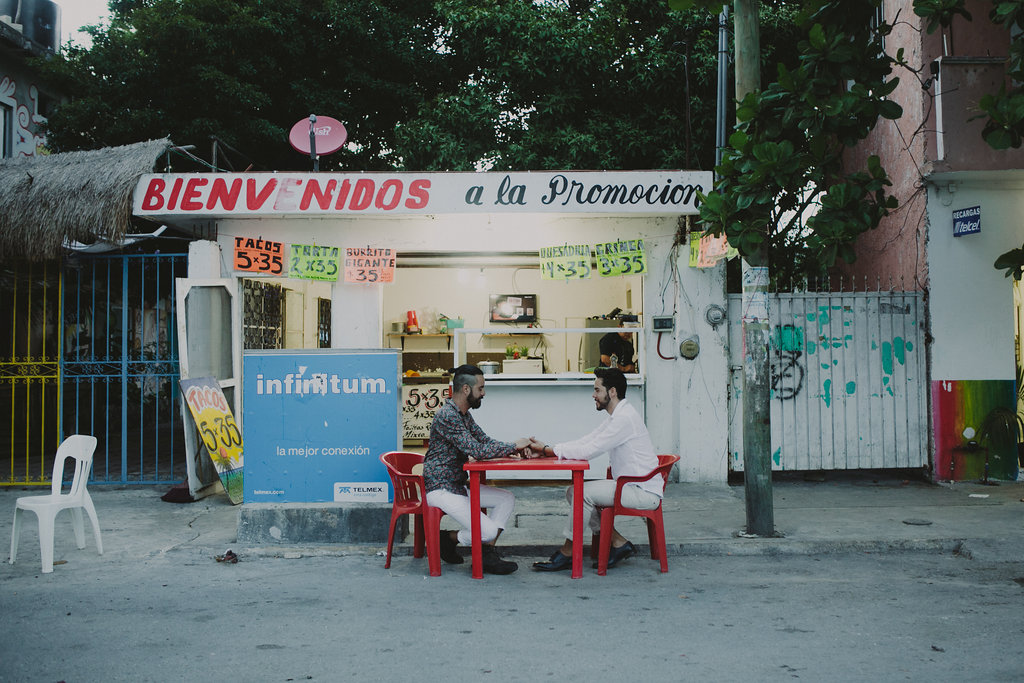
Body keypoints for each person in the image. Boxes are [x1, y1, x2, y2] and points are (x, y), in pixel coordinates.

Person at [529, 367, 663, 572]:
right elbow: (587, 440)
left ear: (612, 392)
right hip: (632, 485)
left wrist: (549, 450)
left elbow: (589, 450)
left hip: (641, 491)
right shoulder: (618, 416)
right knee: (573, 492)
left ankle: (568, 552)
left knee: (580, 493)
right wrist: (550, 450)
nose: (593, 395)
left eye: (597, 390)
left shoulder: (623, 419)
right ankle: (617, 543)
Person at [423, 364, 536, 575]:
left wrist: (513, 451)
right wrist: (513, 445)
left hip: (456, 485)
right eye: (481, 388)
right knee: (488, 530)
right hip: (441, 488)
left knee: (506, 498)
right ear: (466, 389)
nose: (483, 393)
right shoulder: (448, 416)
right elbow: (476, 449)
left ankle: (485, 555)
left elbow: (484, 441)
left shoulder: (463, 415)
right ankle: (448, 539)